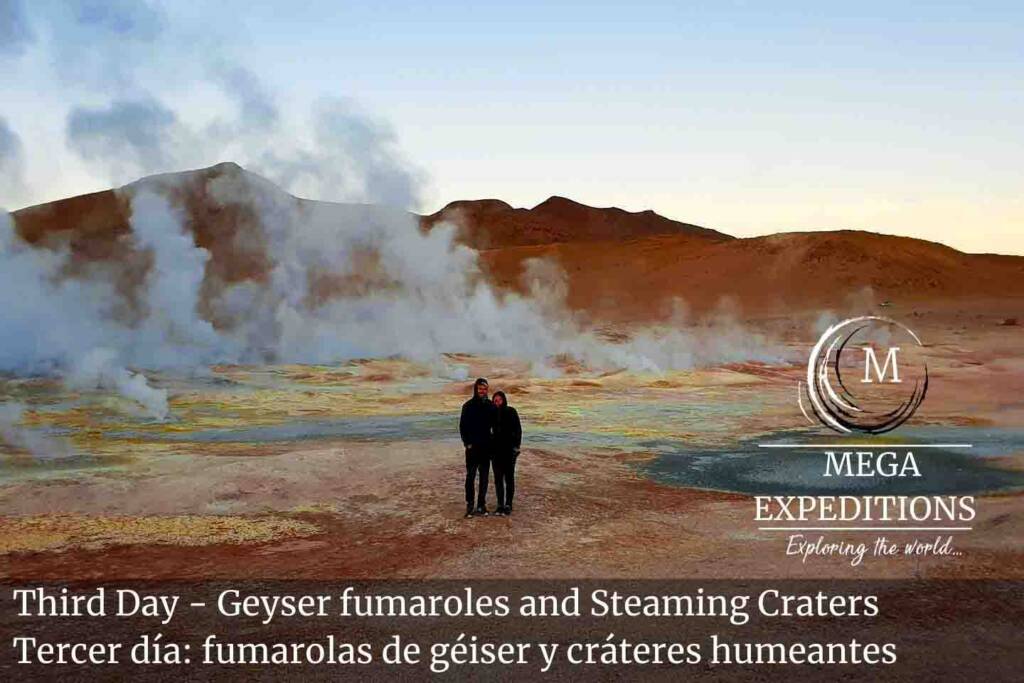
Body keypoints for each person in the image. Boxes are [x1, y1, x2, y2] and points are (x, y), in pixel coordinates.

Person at [459, 377, 494, 517]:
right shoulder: (467, 406)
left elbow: (496, 426)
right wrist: (467, 443)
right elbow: (462, 427)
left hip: (486, 447)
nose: (482, 391)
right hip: (472, 448)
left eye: (485, 389)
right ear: (476, 389)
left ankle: (481, 505)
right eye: (480, 389)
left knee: (484, 477)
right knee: (471, 476)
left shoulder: (490, 405)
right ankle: (470, 505)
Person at [490, 390, 522, 516]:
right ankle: (500, 505)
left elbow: (518, 430)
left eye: (499, 400)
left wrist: (516, 447)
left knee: (509, 478)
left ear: (504, 400)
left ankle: (508, 504)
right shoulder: (491, 414)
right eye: (495, 401)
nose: (497, 402)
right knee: (498, 479)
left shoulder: (511, 411)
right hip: (495, 451)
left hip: (509, 451)